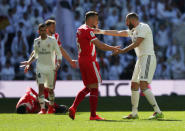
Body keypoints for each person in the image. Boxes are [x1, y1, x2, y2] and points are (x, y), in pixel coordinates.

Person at [94, 12, 164, 120]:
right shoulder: (133, 31)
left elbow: (137, 43)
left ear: (132, 20)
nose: (126, 23)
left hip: (148, 57)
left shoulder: (143, 27)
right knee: (134, 85)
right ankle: (134, 113)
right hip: (141, 59)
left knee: (143, 85)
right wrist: (101, 31)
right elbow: (118, 32)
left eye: (127, 21)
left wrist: (122, 51)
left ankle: (158, 112)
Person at [68, 11, 121, 120]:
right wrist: (113, 48)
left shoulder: (80, 29)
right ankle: (93, 115)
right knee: (95, 87)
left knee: (89, 87)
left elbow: (98, 34)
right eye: (96, 19)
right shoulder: (88, 30)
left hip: (82, 60)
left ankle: (73, 107)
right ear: (91, 19)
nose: (97, 21)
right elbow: (100, 45)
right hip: (89, 61)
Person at [21, 19, 77, 114]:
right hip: (41, 67)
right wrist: (29, 63)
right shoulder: (39, 39)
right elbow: (35, 52)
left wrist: (70, 60)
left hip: (52, 66)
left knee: (50, 88)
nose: (54, 28)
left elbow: (61, 50)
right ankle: (46, 108)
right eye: (52, 27)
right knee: (42, 88)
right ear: (46, 28)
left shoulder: (55, 37)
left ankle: (49, 106)